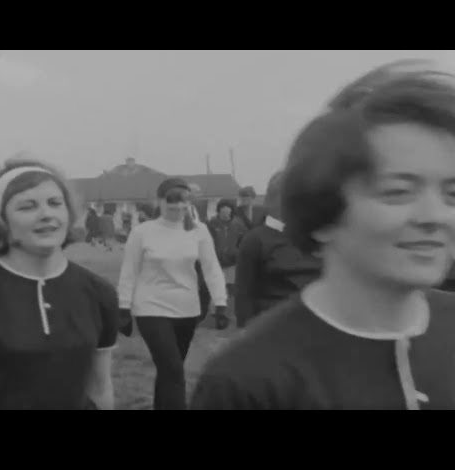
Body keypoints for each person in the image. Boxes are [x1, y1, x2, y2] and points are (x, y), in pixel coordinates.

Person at [191, 63, 455, 410]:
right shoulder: (248, 382)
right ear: (322, 214)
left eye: (452, 194)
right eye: (398, 192)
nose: (435, 216)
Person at [0, 160, 118, 410]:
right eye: (27, 207)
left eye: (54, 203)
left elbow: (100, 389)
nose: (46, 215)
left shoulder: (98, 292)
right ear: (1, 220)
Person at [118, 178, 228, 410]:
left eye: (183, 202)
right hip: (151, 307)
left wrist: (221, 302)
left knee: (170, 369)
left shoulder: (199, 231)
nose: (178, 207)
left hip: (187, 308)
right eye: (172, 202)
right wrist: (123, 307)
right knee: (174, 370)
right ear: (159, 201)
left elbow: (211, 268)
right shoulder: (142, 232)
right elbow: (129, 271)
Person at [233, 171, 322, 328]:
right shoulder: (255, 240)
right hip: (273, 330)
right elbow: (243, 295)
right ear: (271, 201)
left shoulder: (318, 236)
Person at [207, 199, 247, 298]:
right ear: (218, 212)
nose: (226, 216)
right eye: (223, 213)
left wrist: (237, 252)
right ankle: (217, 311)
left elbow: (245, 241)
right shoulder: (211, 224)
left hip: (232, 263)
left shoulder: (238, 224)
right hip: (215, 263)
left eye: (228, 213)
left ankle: (230, 311)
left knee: (231, 291)